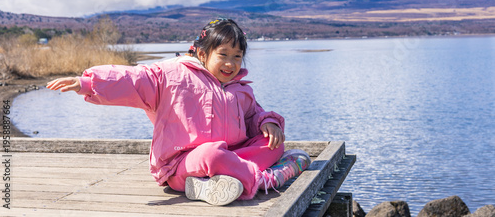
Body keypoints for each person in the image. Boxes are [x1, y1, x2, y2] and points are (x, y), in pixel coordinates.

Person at [47, 18, 311, 205]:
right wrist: (89, 83)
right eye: (223, 54)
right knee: (212, 153)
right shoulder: (171, 75)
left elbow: (253, 116)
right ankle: (266, 179)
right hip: (180, 164)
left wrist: (268, 124)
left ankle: (210, 185)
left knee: (272, 143)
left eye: (237, 56)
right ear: (203, 53)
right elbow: (133, 79)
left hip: (230, 155)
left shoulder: (239, 88)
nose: (230, 63)